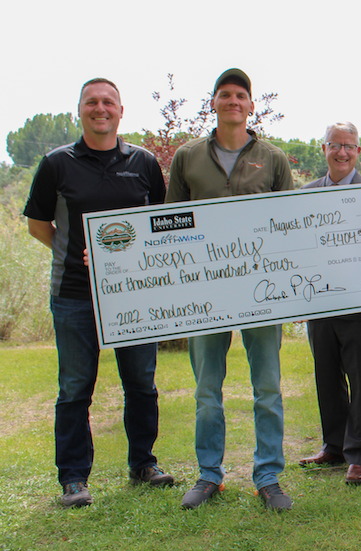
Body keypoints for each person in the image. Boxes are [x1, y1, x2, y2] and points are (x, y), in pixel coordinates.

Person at [23, 78, 174, 508]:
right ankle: (73, 478)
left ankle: (144, 463)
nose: (100, 108)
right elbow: (38, 224)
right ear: (80, 110)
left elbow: (159, 225)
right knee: (75, 387)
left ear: (121, 111)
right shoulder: (57, 163)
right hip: (74, 294)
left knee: (141, 383)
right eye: (92, 102)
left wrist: (121, 264)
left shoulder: (143, 162)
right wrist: (77, 252)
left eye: (108, 102)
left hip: (135, 296)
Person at [166, 69, 295, 511]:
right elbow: (170, 227)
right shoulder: (186, 157)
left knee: (268, 388)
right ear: (214, 103)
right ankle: (208, 475)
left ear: (250, 105)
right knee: (206, 390)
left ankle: (269, 476)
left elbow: (286, 226)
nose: (233, 101)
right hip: (205, 296)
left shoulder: (274, 159)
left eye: (241, 95)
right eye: (225, 95)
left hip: (262, 292)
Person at [297, 122, 361, 484]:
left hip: (359, 302)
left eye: (349, 146)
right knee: (327, 376)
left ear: (358, 152)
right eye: (335, 145)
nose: (342, 152)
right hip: (318, 302)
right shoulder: (304, 193)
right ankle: (334, 446)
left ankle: (360, 454)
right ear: (324, 149)